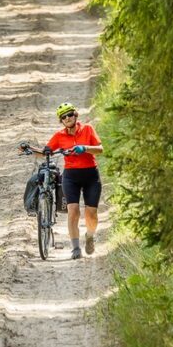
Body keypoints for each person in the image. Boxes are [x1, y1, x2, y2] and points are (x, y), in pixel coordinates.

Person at [42, 102, 103, 260]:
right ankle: (76, 248)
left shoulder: (87, 129)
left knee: (91, 214)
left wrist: (85, 148)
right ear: (61, 121)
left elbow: (100, 149)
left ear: (75, 115)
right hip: (70, 177)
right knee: (73, 211)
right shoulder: (59, 136)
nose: (67, 118)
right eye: (63, 117)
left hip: (91, 175)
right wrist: (29, 149)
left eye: (69, 115)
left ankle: (89, 236)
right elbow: (45, 152)